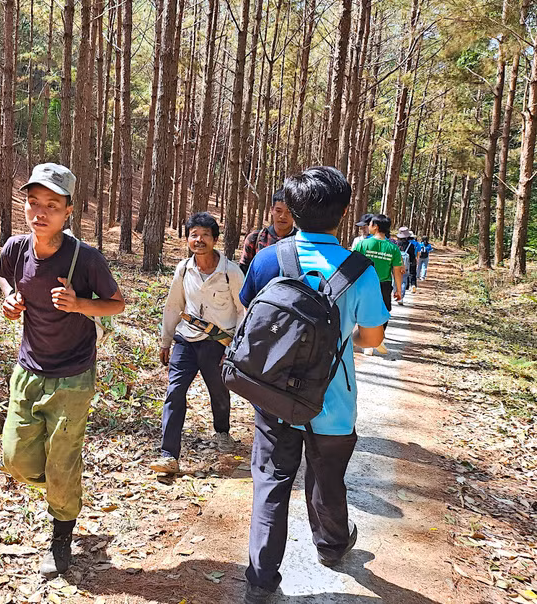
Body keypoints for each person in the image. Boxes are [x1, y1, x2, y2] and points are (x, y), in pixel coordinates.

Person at [238, 167, 389, 604]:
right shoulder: (359, 270)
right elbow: (372, 338)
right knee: (328, 478)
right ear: (343, 214)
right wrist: (344, 338)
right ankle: (331, 545)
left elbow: (252, 315)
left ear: (294, 210)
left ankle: (261, 580)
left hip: (275, 395)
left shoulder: (270, 259)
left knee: (271, 482)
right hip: (333, 399)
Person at [0, 163, 126, 579]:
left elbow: (117, 303)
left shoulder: (85, 259)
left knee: (62, 462)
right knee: (15, 459)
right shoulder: (15, 249)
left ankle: (61, 534)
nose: (40, 212)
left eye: (52, 205)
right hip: (29, 369)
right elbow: (6, 280)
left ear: (69, 211)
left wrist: (80, 304)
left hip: (73, 376)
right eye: (33, 203)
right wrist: (11, 299)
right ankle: (60, 489)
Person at [151, 212, 246, 475]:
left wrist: (235, 348)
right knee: (175, 392)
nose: (199, 240)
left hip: (218, 342)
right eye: (194, 235)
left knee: (218, 390)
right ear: (187, 239)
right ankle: (169, 454)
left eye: (205, 235)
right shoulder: (183, 269)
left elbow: (242, 310)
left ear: (215, 239)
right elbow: (174, 305)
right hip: (186, 340)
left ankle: (222, 432)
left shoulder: (231, 273)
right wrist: (166, 341)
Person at [353, 214, 403, 356]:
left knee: (361, 311)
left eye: (370, 224)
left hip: (364, 283)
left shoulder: (363, 244)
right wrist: (399, 290)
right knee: (382, 313)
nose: (368, 226)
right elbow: (397, 271)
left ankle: (366, 341)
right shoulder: (393, 248)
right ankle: (376, 339)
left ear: (375, 226)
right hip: (384, 285)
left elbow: (354, 265)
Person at [238, 189, 297, 274]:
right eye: (278, 211)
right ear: (272, 210)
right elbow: (243, 274)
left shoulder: (300, 241)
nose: (283, 216)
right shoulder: (255, 239)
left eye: (289, 212)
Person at [396, 228, 417, 301]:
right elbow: (412, 257)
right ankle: (401, 297)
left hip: (396, 265)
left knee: (395, 280)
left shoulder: (396, 244)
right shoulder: (411, 245)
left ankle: (396, 292)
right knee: (404, 281)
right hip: (405, 266)